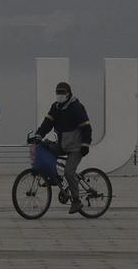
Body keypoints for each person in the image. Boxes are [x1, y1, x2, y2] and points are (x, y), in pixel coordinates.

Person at [30, 81, 92, 214]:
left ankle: (76, 201)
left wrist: (85, 144)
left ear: (69, 94)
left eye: (62, 93)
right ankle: (52, 178)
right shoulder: (56, 107)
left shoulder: (76, 107)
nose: (60, 95)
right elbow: (47, 123)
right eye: (58, 93)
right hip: (62, 144)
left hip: (76, 147)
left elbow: (86, 127)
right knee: (45, 148)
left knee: (69, 172)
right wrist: (38, 135)